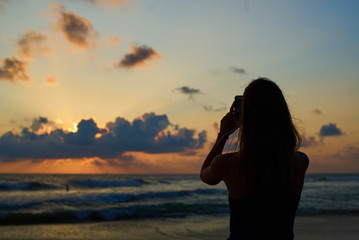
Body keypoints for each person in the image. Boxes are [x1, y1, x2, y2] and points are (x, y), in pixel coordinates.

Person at [200, 78, 309, 240]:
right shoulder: (300, 162)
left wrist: (223, 135)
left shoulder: (227, 164)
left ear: (246, 116)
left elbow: (205, 175)